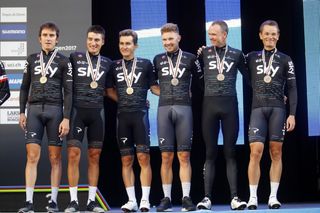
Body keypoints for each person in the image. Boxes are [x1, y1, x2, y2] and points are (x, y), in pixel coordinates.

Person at [18, 22, 73, 213]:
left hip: (55, 111)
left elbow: (68, 92)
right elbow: (24, 87)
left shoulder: (64, 61)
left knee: (55, 158)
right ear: (39, 38)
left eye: (51, 35)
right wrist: (21, 112)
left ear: (57, 39)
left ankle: (54, 202)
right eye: (45, 35)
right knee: (32, 156)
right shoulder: (31, 59)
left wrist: (66, 118)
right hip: (33, 110)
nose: (48, 38)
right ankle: (28, 202)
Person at [196, 20, 248, 210]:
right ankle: (206, 198)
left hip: (230, 106)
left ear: (224, 34)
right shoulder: (203, 53)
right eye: (209, 34)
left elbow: (250, 79)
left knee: (230, 153)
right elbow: (198, 78)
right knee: (210, 153)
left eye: (214, 34)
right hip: (209, 105)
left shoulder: (237, 54)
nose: (211, 37)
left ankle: (234, 198)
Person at [246, 20, 297, 210]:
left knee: (276, 152)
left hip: (278, 110)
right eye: (267, 34)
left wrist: (292, 114)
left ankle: (273, 197)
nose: (270, 37)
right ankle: (252, 197)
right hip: (258, 109)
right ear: (260, 35)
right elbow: (231, 65)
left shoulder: (286, 59)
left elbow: (292, 88)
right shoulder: (250, 57)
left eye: (274, 34)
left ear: (278, 36)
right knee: (255, 153)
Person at [152, 23, 203, 212]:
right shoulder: (157, 59)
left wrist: (185, 94)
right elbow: (152, 85)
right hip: (164, 109)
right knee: (166, 156)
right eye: (164, 39)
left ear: (178, 38)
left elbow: (202, 82)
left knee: (184, 155)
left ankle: (186, 197)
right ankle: (166, 198)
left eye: (171, 39)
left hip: (184, 110)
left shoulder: (190, 58)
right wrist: (165, 93)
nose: (167, 42)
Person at [106, 29, 157, 212]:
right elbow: (109, 90)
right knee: (126, 160)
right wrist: (123, 100)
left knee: (144, 158)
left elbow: (153, 87)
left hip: (140, 115)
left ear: (135, 45)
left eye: (128, 43)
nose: (124, 47)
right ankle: (131, 200)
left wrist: (175, 95)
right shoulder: (113, 65)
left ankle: (145, 200)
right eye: (121, 43)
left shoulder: (146, 64)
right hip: (122, 117)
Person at [64, 25, 112, 213]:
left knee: (94, 156)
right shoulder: (74, 58)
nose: (93, 43)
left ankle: (91, 201)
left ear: (103, 42)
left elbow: (109, 91)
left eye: (97, 40)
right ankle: (73, 201)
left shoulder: (107, 63)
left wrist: (141, 102)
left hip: (97, 113)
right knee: (73, 155)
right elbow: (66, 87)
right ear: (86, 40)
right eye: (91, 39)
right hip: (77, 112)